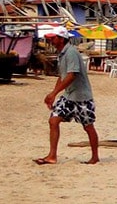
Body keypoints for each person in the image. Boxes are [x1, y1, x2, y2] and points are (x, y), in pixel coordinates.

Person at [35, 26, 99, 165]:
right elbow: (63, 76)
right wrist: (53, 94)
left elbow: (71, 75)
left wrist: (54, 93)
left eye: (53, 38)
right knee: (53, 121)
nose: (51, 40)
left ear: (61, 39)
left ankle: (95, 157)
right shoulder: (62, 54)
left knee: (88, 127)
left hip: (81, 97)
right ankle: (52, 156)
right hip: (69, 96)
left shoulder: (70, 52)